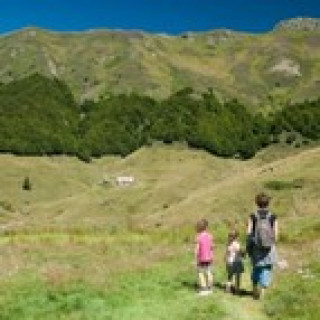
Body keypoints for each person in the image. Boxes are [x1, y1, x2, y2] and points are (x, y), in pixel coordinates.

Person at [246, 193, 278, 299]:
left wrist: (249, 246)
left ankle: (255, 289)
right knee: (266, 269)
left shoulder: (253, 216)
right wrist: (271, 243)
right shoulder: (273, 216)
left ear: (257, 203)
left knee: (256, 267)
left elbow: (249, 233)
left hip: (256, 247)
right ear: (268, 203)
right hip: (269, 248)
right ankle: (263, 292)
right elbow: (276, 234)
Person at [195, 218, 214, 295]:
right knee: (209, 272)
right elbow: (212, 247)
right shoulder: (210, 236)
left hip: (201, 259)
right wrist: (212, 256)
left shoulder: (198, 237)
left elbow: (197, 249)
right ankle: (210, 288)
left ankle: (203, 288)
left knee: (200, 273)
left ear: (199, 228)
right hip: (209, 258)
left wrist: (196, 258)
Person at [225, 230, 244, 294]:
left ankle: (228, 289)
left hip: (229, 262)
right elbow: (240, 252)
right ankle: (237, 290)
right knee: (238, 276)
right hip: (236, 262)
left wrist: (226, 260)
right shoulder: (236, 244)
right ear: (236, 237)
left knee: (230, 276)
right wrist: (243, 253)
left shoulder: (228, 244)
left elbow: (227, 253)